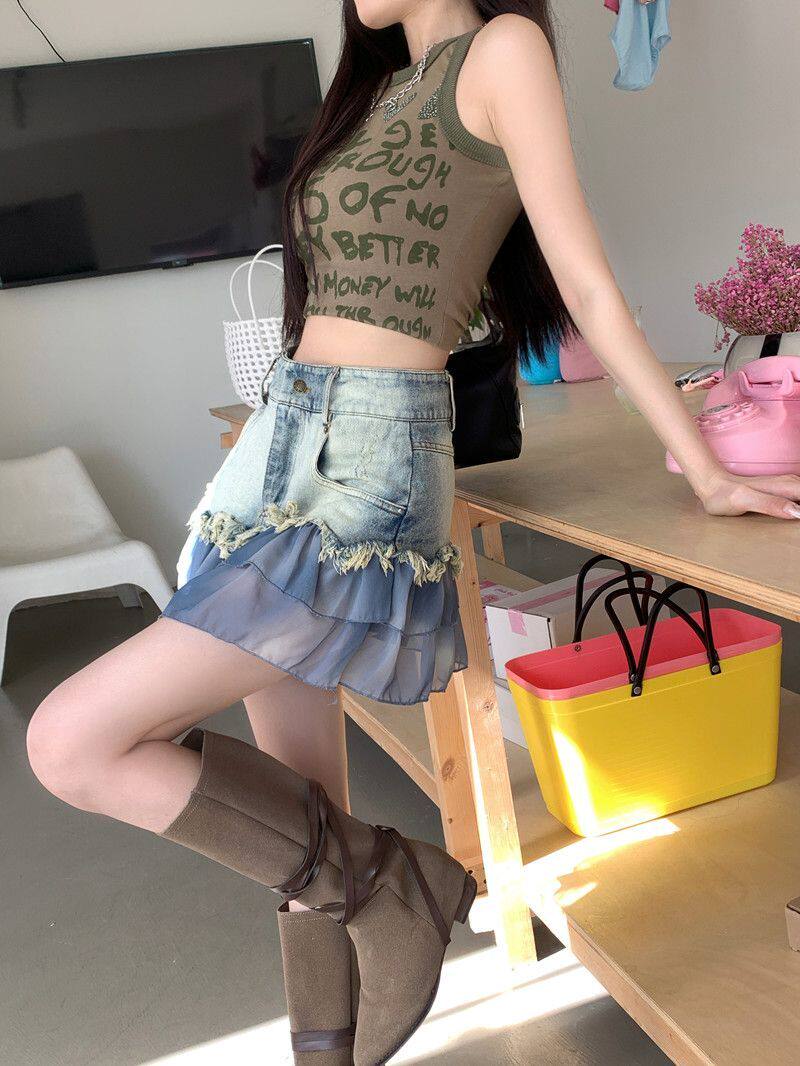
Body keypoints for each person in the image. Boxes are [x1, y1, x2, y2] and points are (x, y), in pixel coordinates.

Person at [26, 3, 800, 1065]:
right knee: (298, 818)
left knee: (69, 742)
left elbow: (583, 281)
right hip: (280, 440)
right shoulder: (378, 92)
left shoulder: (503, 50)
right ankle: (329, 1035)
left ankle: (394, 883)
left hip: (369, 453)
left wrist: (705, 469)